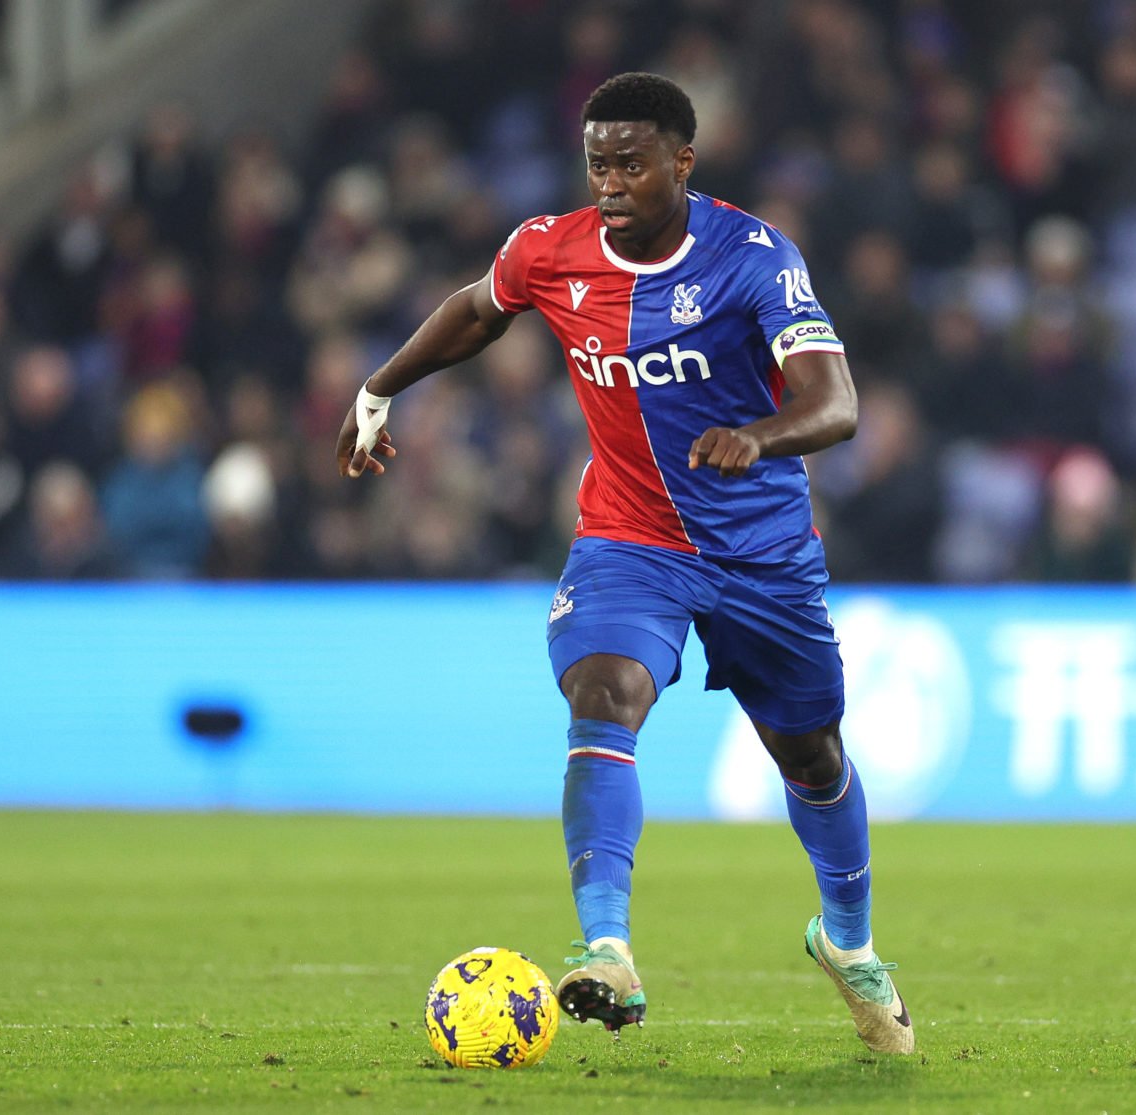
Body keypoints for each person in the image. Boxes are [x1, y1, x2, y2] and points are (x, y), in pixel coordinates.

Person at [335, 73, 912, 1055]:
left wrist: (762, 436)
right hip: (628, 537)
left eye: (632, 163)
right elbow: (480, 308)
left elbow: (837, 400)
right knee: (604, 692)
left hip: (762, 552)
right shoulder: (547, 249)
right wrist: (380, 386)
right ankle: (606, 947)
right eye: (598, 162)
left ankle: (847, 941)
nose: (610, 181)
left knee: (811, 753)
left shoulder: (754, 257)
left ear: (682, 162)